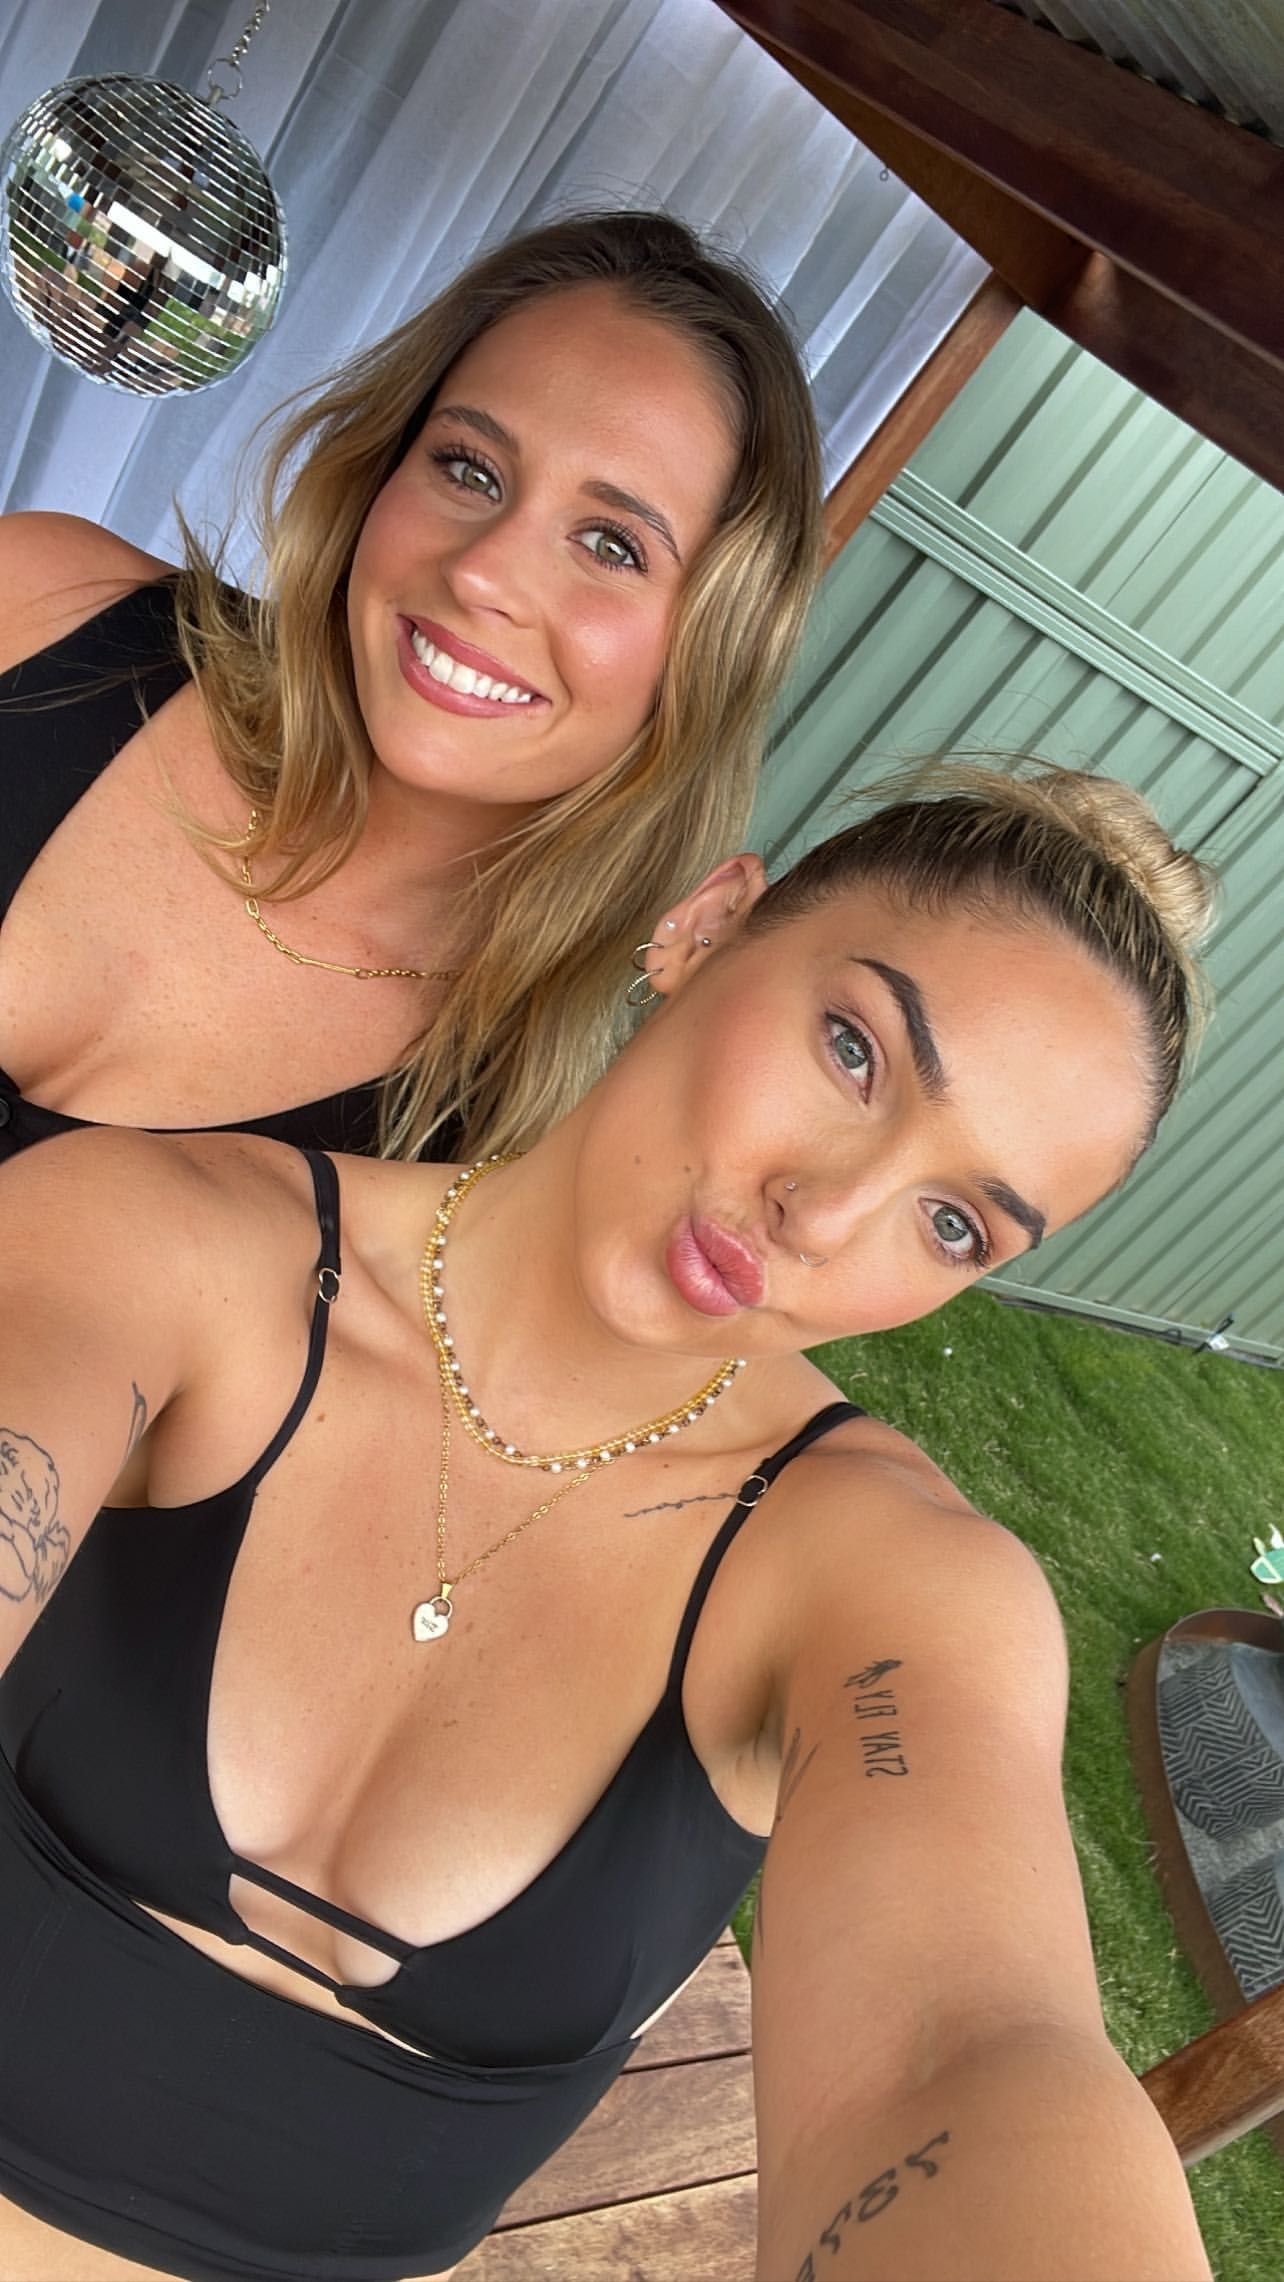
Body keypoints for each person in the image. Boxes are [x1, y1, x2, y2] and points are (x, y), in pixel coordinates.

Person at [0, 759, 1215, 2282]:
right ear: (706, 925)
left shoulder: (887, 1578)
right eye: (855, 1050)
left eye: (954, 1220)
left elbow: (968, 2048)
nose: (827, 1214)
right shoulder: (161, 1244)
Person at [0, 208, 821, 1165]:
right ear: (384, 465)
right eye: (470, 470)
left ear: (712, 654)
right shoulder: (42, 601)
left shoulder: (487, 1154)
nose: (481, 572)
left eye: (611, 545)